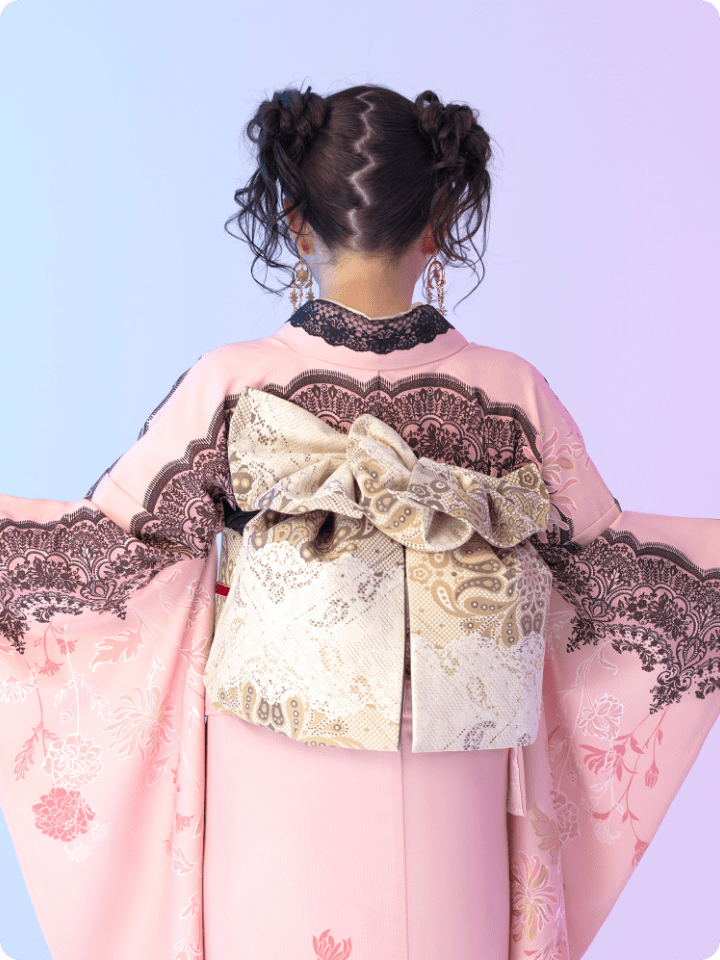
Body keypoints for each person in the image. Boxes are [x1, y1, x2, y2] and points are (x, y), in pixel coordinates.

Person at [0, 82, 718, 960]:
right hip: (454, 778)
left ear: (297, 224)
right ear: (437, 225)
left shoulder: (235, 382)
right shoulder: (511, 392)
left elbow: (101, 564)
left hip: (273, 766)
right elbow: (616, 582)